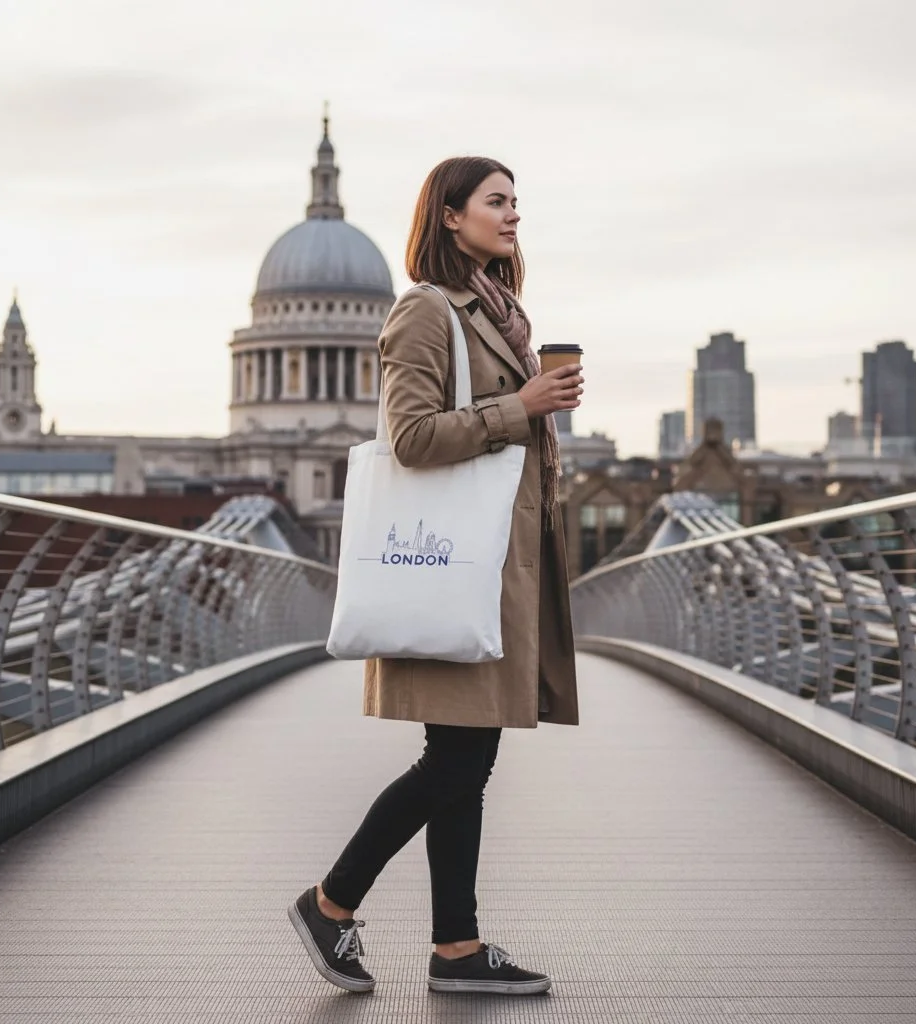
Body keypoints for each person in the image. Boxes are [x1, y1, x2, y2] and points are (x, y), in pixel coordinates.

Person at [288, 156, 582, 996]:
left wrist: (536, 402)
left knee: (465, 758)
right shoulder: (424, 309)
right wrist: (519, 409)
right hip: (456, 568)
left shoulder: (502, 313)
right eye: (497, 201)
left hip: (492, 568)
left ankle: (456, 947)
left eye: (518, 201)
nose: (514, 214)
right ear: (451, 216)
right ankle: (331, 903)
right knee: (455, 764)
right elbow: (411, 438)